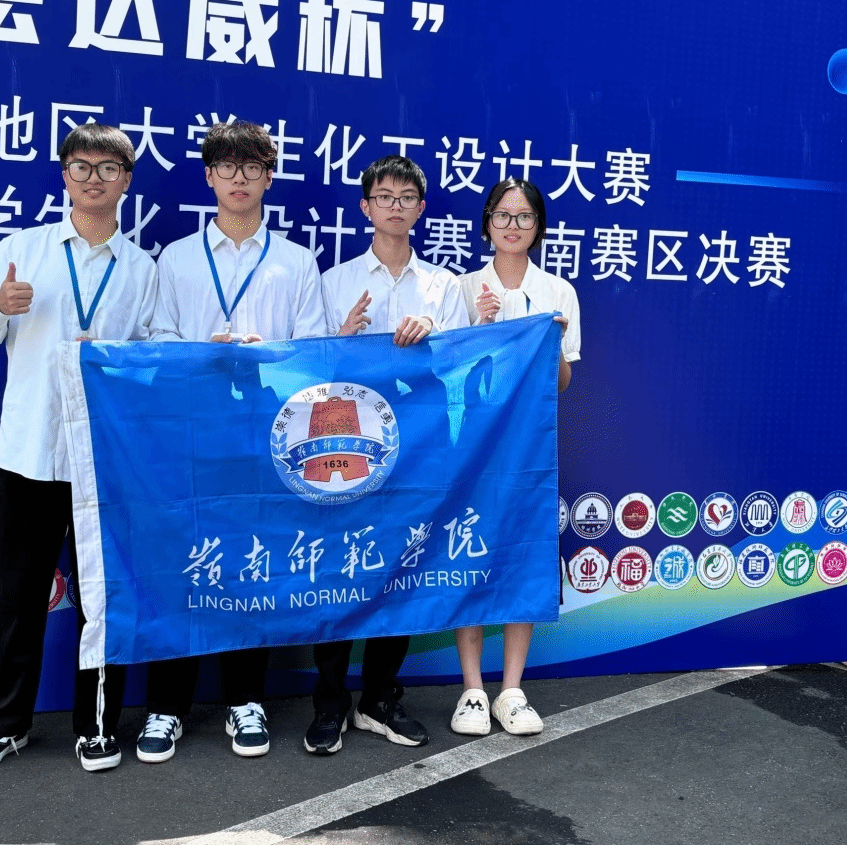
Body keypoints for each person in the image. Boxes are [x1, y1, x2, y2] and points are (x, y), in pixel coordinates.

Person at [0, 124, 158, 772]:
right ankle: (5, 723)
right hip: (31, 450)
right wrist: (0, 305)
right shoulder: (24, 248)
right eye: (82, 165)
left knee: (102, 597)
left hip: (105, 458)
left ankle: (96, 725)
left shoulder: (141, 268)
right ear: (64, 174)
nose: (94, 177)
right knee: (21, 595)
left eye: (108, 167)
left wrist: (123, 359)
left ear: (127, 180)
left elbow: (156, 350)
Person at [141, 120, 325, 762]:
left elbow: (312, 349)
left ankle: (246, 699)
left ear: (268, 178)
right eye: (227, 167)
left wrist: (263, 353)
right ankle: (166, 706)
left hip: (266, 436)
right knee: (182, 560)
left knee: (252, 560)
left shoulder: (296, 261)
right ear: (209, 176)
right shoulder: (177, 258)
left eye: (252, 167)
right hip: (193, 432)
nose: (239, 178)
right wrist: (205, 352)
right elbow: (159, 340)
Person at [305, 154, 470, 756]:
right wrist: (344, 339)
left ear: (420, 209)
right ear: (366, 206)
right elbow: (310, 371)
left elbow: (459, 365)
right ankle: (330, 702)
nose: (395, 205)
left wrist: (434, 337)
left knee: (399, 567)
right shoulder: (335, 281)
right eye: (384, 196)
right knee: (337, 567)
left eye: (406, 197)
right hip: (344, 446)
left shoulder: (444, 286)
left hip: (418, 446)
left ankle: (379, 698)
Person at [449, 177, 580, 737]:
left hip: (528, 446)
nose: (512, 225)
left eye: (524, 217)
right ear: (486, 223)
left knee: (521, 555)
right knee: (470, 551)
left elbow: (563, 382)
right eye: (502, 215)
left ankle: (512, 689)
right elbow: (447, 374)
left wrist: (552, 345)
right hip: (473, 446)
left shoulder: (558, 292)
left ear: (538, 227)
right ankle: (472, 689)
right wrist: (479, 330)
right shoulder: (461, 288)